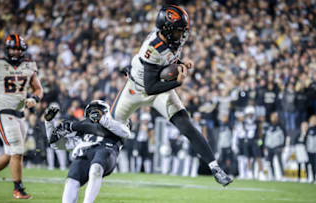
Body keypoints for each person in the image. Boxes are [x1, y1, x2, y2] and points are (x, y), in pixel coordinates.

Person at [111, 4, 232, 186]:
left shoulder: (169, 41)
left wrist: (181, 62)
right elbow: (150, 87)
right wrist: (178, 82)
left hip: (159, 87)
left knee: (186, 125)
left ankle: (215, 168)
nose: (181, 36)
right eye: (178, 32)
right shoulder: (153, 47)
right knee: (109, 128)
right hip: (136, 89)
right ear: (167, 31)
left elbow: (167, 61)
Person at [0, 34, 43, 199]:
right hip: (2, 112)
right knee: (17, 151)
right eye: (13, 48)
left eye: (18, 49)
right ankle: (18, 188)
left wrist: (35, 98)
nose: (15, 51)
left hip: (19, 114)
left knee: (12, 152)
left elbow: (39, 88)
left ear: (23, 50)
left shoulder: (29, 66)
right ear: (7, 48)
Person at [44, 100, 130, 203]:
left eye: (97, 111)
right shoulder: (83, 133)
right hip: (86, 153)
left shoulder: (115, 126)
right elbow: (55, 144)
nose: (94, 115)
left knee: (96, 169)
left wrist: (101, 119)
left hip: (106, 150)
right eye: (92, 112)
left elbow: (126, 133)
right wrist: (48, 123)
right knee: (71, 180)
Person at [264, 112, 286, 180]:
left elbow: (284, 137)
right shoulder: (268, 126)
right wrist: (265, 146)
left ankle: (282, 176)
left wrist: (283, 146)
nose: (274, 118)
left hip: (277, 146)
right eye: (273, 117)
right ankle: (273, 176)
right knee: (270, 162)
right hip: (269, 146)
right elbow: (265, 137)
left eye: (275, 117)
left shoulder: (281, 126)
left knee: (280, 161)